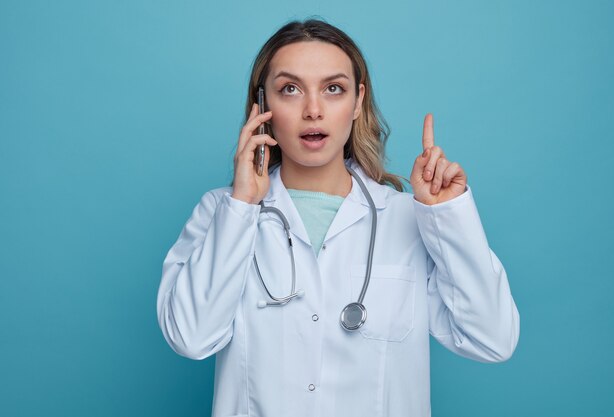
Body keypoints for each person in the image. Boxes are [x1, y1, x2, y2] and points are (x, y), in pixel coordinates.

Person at [156, 18, 520, 417]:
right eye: (290, 89)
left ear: (358, 101)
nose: (313, 110)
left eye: (333, 89)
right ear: (261, 107)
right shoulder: (222, 212)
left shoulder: (407, 216)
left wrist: (448, 216)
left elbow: (492, 339)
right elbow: (190, 338)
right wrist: (242, 206)